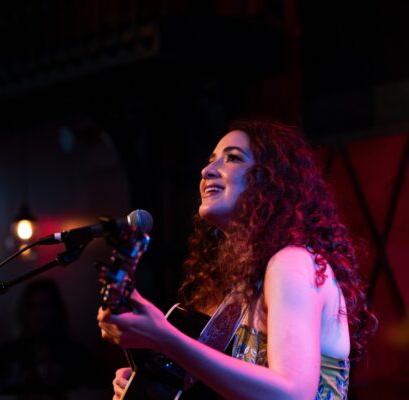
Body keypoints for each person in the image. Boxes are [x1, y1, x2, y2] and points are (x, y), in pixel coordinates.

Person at [98, 119, 378, 399]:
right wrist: (152, 384)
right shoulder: (247, 283)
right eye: (211, 160)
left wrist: (165, 338)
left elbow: (292, 394)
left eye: (232, 158)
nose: (207, 171)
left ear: (270, 179)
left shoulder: (292, 262)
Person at [0, 278, 107, 399]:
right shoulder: (9, 353)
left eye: (44, 306)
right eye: (32, 306)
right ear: (24, 311)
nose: (38, 314)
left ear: (57, 309)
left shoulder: (76, 354)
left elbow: (97, 392)